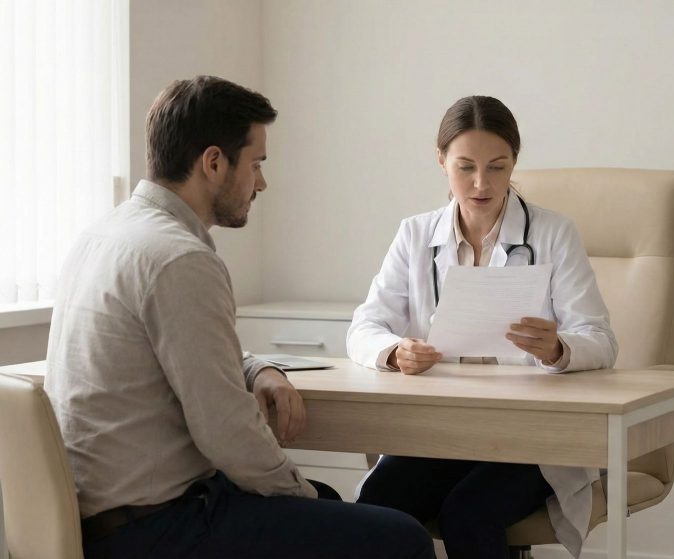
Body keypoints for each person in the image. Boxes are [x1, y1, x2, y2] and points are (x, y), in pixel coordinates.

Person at [44, 75, 433, 559]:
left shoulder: (107, 236)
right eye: (257, 163)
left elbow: (185, 349)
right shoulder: (180, 260)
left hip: (102, 518)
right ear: (213, 162)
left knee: (334, 507)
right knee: (403, 539)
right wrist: (302, 497)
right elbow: (228, 433)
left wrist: (256, 367)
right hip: (158, 529)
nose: (262, 182)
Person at [348, 96, 618, 559]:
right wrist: (394, 351)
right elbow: (364, 327)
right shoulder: (415, 234)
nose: (480, 183)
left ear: (515, 162)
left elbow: (601, 341)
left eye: (497, 166)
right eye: (465, 166)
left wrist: (557, 348)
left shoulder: (553, 234)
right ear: (441, 161)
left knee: (468, 512)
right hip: (442, 429)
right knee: (378, 510)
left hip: (530, 435)